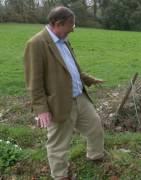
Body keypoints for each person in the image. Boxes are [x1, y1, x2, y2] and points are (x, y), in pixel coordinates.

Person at [24, 6, 105, 179]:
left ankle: (95, 156)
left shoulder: (64, 39)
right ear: (58, 24)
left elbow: (73, 68)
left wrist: (89, 79)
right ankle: (61, 175)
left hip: (79, 97)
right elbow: (34, 81)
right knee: (58, 144)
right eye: (71, 25)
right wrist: (41, 108)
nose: (73, 29)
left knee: (95, 126)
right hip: (58, 103)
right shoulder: (37, 44)